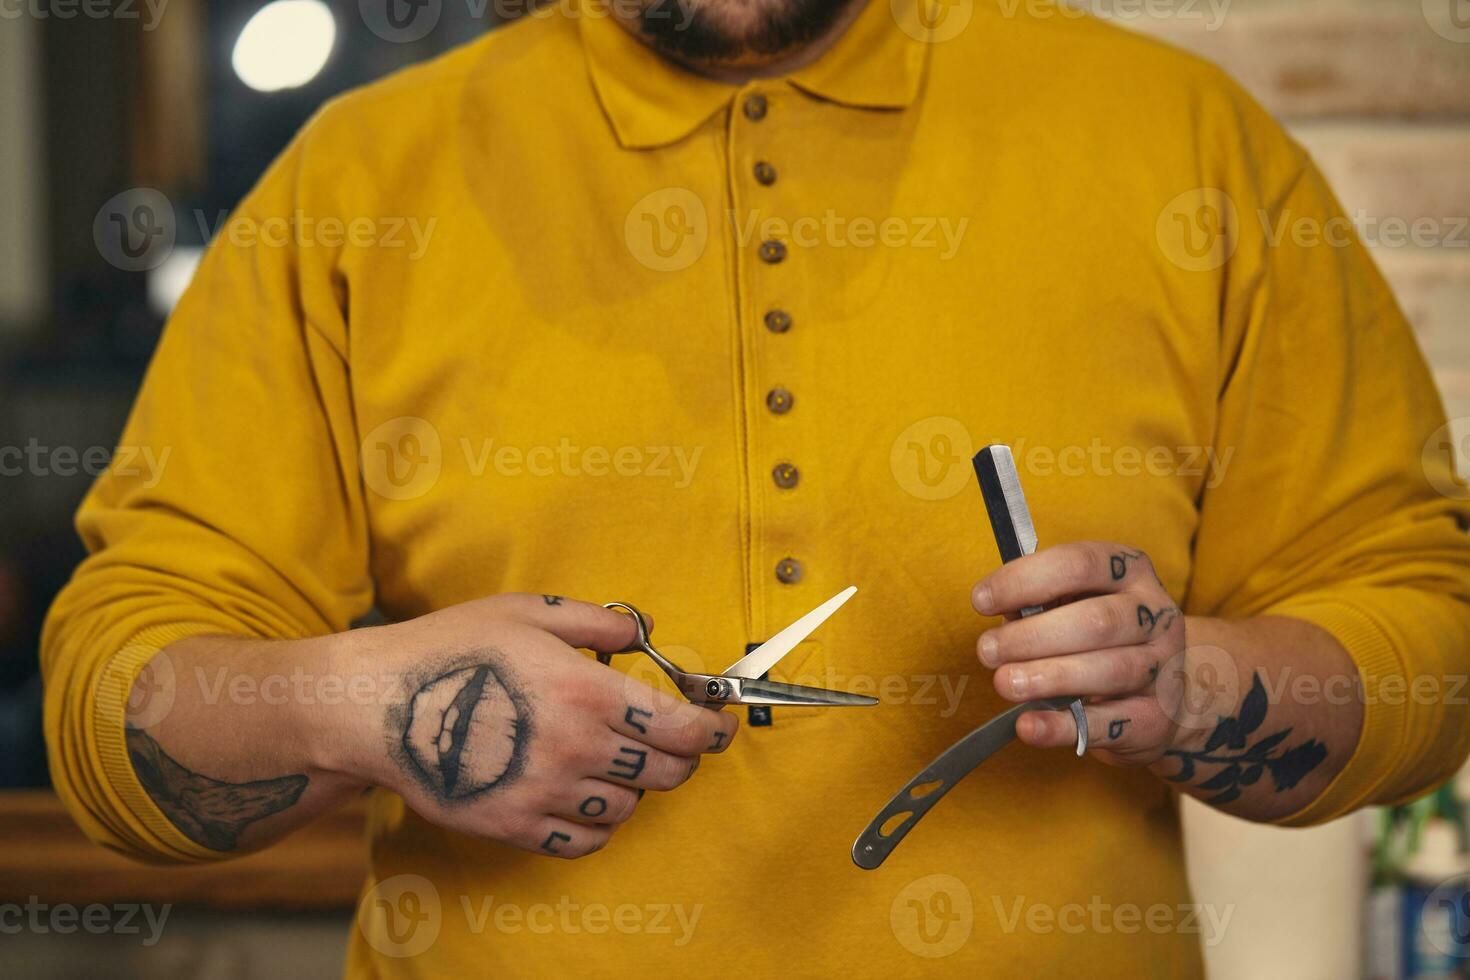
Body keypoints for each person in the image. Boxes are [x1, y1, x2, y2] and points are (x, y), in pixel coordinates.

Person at [42, 0, 1470, 974]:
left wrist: (1198, 684)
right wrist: (363, 707)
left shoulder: (1184, 143)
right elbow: (112, 714)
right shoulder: (355, 183)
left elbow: (1426, 638)